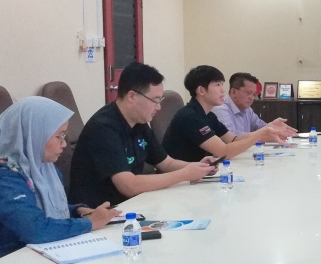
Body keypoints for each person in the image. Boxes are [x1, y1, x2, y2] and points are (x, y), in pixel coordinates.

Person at [0, 97, 120, 264]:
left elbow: (38, 206)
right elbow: (35, 229)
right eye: (59, 136)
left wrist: (77, 211)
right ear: (34, 135)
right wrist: (90, 223)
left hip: (33, 261)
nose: (64, 144)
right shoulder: (2, 180)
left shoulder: (43, 169)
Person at [69, 62, 217, 208]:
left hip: (132, 204)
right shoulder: (103, 128)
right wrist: (185, 174)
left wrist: (198, 167)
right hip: (100, 212)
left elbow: (166, 163)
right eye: (155, 100)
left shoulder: (139, 122)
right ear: (132, 96)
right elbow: (129, 185)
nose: (158, 107)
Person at [162, 65, 296, 162]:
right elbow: (224, 152)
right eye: (217, 85)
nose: (223, 90)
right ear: (201, 90)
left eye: (222, 84)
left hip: (196, 174)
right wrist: (261, 134)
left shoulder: (208, 115)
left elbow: (233, 139)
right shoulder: (191, 117)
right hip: (179, 180)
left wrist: (268, 128)